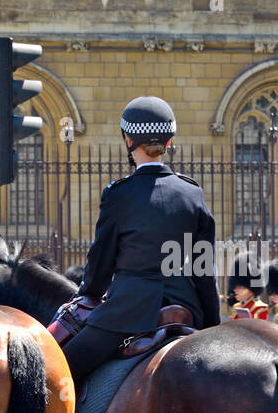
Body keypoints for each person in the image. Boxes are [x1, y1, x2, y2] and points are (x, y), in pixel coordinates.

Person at [59, 96, 221, 386]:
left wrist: (91, 292)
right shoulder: (191, 194)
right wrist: (211, 323)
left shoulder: (119, 194)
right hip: (185, 307)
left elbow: (101, 261)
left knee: (59, 373)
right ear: (168, 143)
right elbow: (203, 270)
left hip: (127, 311)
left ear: (128, 140)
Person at [228, 251, 269, 320]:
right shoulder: (236, 307)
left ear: (251, 287)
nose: (235, 290)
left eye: (240, 287)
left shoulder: (260, 308)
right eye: (234, 286)